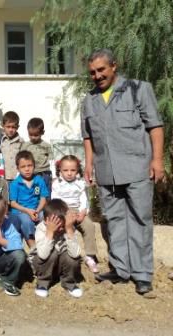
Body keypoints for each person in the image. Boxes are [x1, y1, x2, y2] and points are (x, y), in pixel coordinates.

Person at [81, 48, 164, 295]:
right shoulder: (89, 99)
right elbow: (87, 136)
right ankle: (120, 269)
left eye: (101, 70)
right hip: (107, 171)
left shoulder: (139, 89)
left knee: (140, 220)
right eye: (92, 72)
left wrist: (157, 160)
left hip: (137, 167)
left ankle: (142, 275)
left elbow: (155, 126)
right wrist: (89, 164)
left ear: (114, 66)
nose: (97, 76)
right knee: (114, 220)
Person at [52, 155, 99, 273]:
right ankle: (66, 254)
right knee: (66, 230)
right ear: (60, 170)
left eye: (72, 170)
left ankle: (90, 255)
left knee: (89, 226)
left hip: (78, 210)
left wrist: (83, 212)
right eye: (65, 170)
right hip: (63, 210)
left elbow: (84, 199)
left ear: (77, 170)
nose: (69, 173)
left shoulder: (80, 183)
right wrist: (65, 212)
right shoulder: (57, 184)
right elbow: (56, 200)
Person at [33, 199, 82, 298]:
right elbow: (42, 255)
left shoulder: (68, 228)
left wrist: (69, 230)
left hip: (61, 267)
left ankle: (69, 282)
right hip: (44, 266)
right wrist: (50, 232)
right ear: (46, 221)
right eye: (57, 226)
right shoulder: (41, 228)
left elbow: (76, 254)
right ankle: (43, 283)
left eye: (62, 225)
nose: (60, 229)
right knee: (52, 253)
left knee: (71, 256)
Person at [9, 150, 49, 248]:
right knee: (26, 221)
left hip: (36, 209)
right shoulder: (15, 183)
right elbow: (13, 203)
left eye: (29, 165)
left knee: (45, 216)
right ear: (18, 168)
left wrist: (37, 210)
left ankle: (45, 241)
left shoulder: (39, 180)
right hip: (21, 211)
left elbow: (43, 198)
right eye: (23, 167)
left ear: (34, 166)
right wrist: (28, 211)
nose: (27, 169)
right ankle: (32, 244)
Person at [22, 117, 53, 196]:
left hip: (44, 173)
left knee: (45, 193)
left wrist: (54, 175)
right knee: (34, 193)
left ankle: (46, 207)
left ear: (42, 132)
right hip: (31, 174)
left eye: (36, 135)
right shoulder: (25, 146)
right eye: (30, 135)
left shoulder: (46, 146)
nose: (33, 137)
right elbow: (21, 160)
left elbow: (51, 160)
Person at [0, 111, 25, 183]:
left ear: (17, 127)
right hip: (3, 177)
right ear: (3, 126)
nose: (11, 130)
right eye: (8, 127)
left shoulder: (21, 142)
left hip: (17, 177)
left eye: (13, 127)